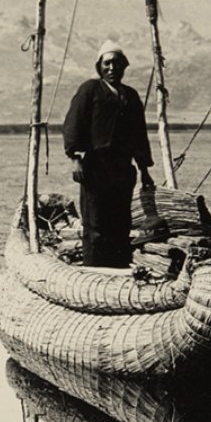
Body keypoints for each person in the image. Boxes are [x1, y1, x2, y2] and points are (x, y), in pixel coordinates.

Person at [63, 39, 155, 267]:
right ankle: (94, 269)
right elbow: (73, 123)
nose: (112, 68)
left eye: (116, 64)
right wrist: (75, 159)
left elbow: (139, 134)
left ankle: (119, 267)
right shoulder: (90, 89)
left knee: (121, 221)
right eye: (107, 64)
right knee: (95, 223)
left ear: (124, 66)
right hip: (96, 167)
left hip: (123, 169)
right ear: (99, 66)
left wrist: (144, 170)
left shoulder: (131, 96)